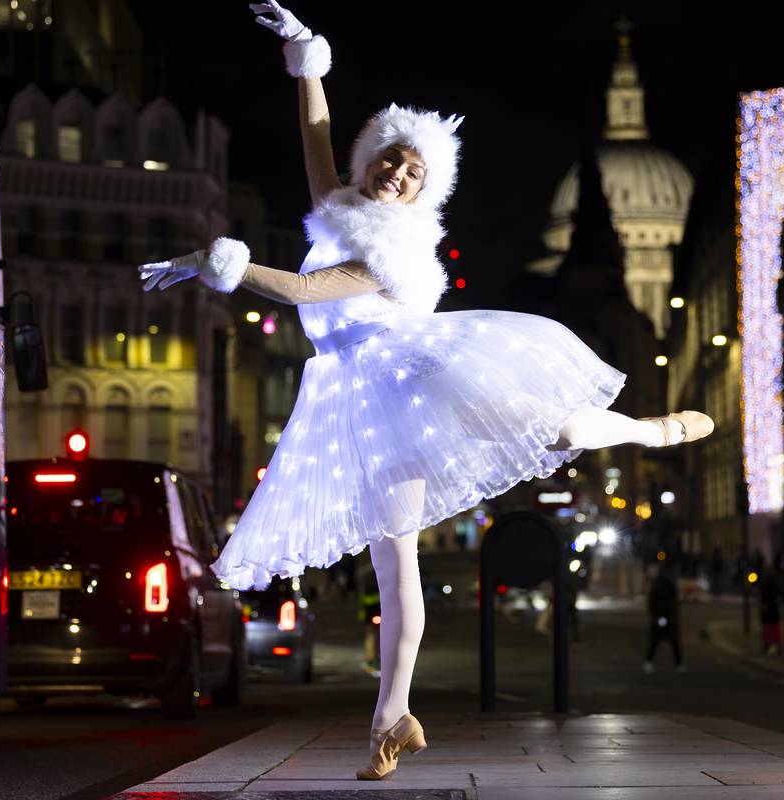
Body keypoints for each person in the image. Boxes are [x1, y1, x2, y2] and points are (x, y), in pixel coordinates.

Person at [138, 1, 713, 781]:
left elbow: (309, 290)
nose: (397, 174)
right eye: (390, 160)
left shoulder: (396, 245)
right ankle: (392, 717)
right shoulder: (343, 207)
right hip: (360, 402)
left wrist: (223, 266)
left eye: (414, 172)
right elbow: (315, 140)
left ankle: (651, 431)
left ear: (422, 191)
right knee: (393, 568)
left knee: (558, 429)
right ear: (372, 158)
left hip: (418, 376)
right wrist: (309, 60)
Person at [643, 563, 685, 673]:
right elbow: (654, 602)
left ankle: (678, 664)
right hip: (662, 617)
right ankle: (650, 662)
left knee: (669, 641)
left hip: (667, 617)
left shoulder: (665, 585)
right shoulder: (661, 585)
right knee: (658, 640)